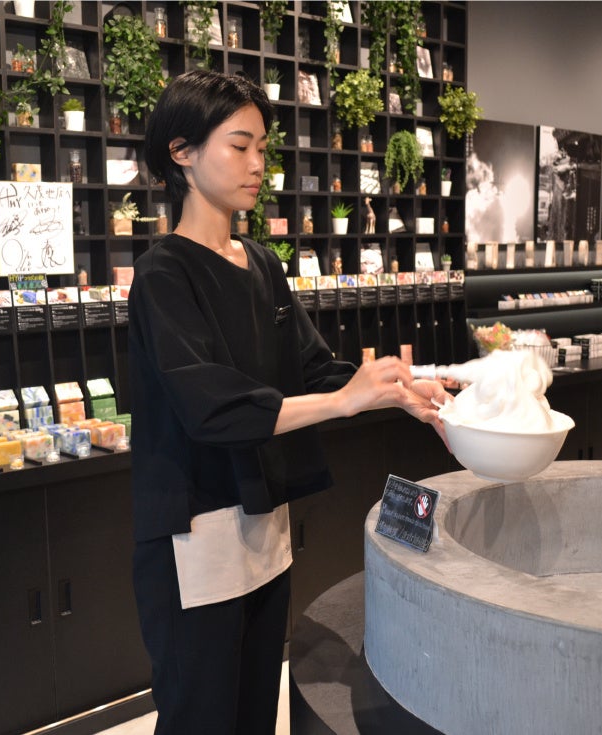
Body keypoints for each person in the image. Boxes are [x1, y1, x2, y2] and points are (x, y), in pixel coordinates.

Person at [126, 69, 447, 733]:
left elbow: (315, 370)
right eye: (239, 146)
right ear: (182, 152)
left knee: (252, 711)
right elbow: (212, 408)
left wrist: (397, 391)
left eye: (262, 149)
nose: (257, 165)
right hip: (194, 537)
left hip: (263, 528)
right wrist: (345, 402)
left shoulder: (262, 263)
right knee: (198, 716)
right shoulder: (164, 273)